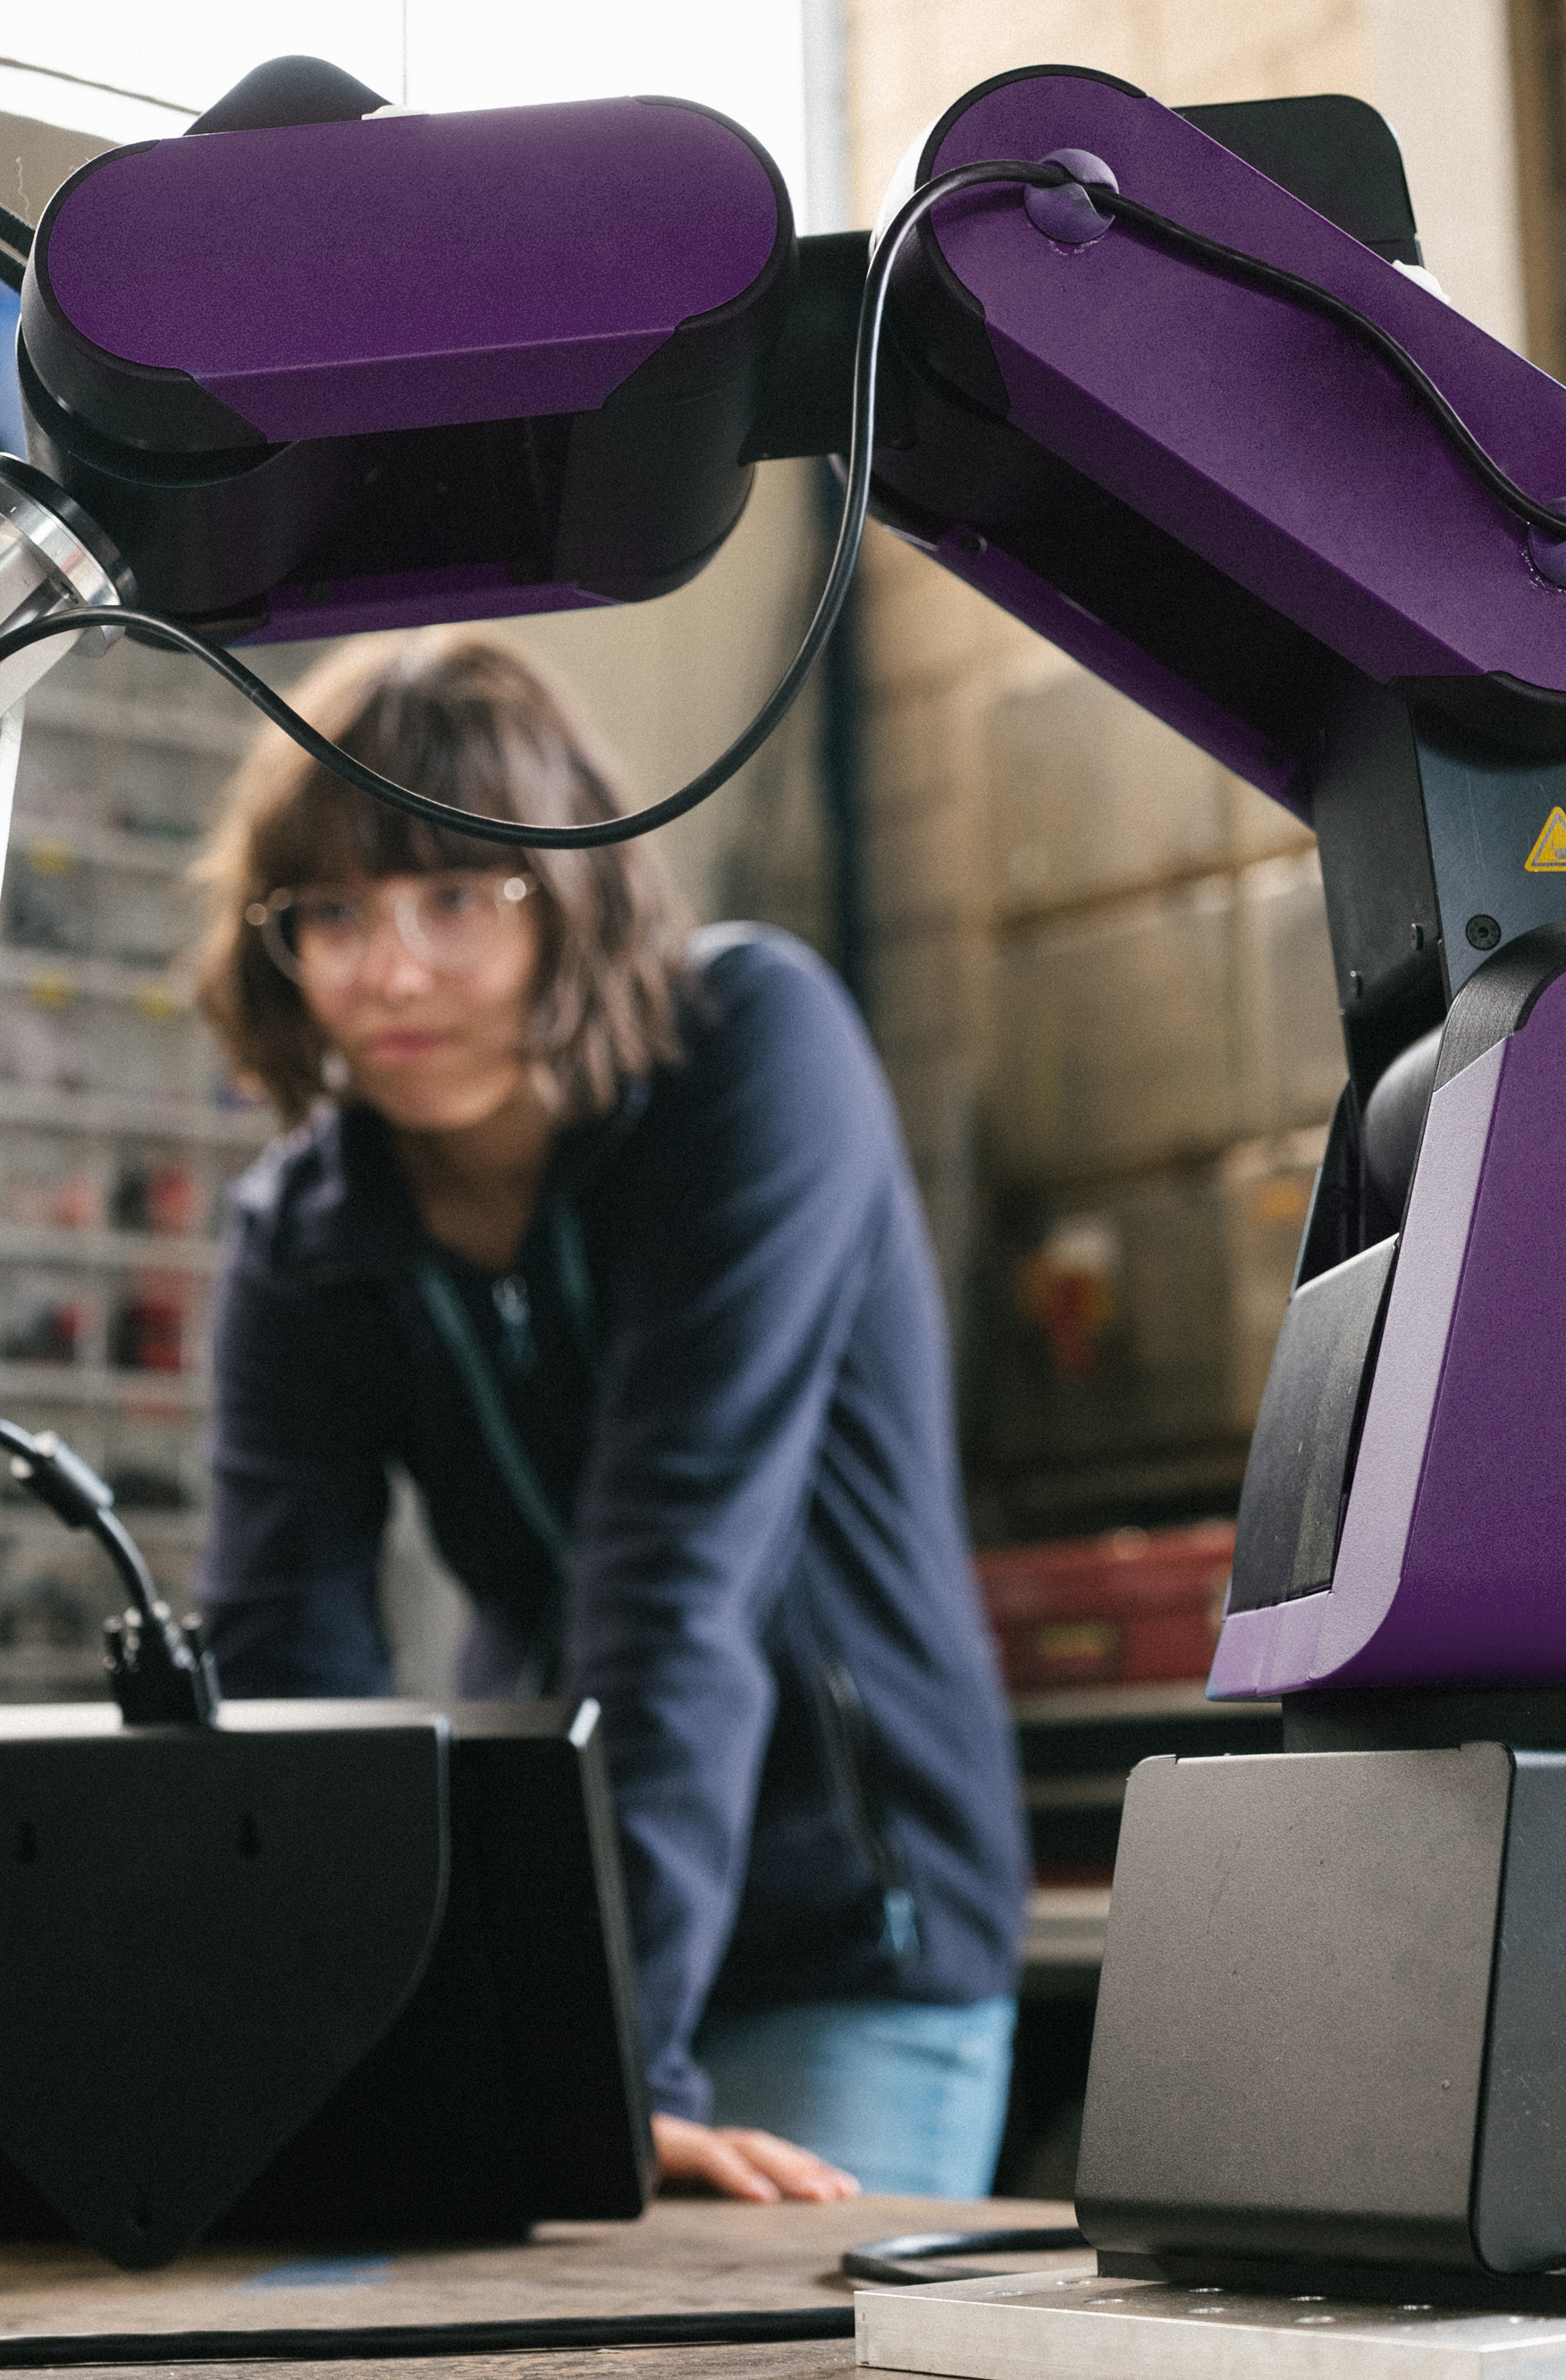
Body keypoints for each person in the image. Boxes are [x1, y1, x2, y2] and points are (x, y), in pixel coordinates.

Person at [186, 630, 1025, 2205]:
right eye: (334, 915)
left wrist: (606, 2079)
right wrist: (319, 2045)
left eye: (456, 897)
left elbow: (674, 1583)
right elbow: (283, 1666)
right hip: (548, 1925)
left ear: (571, 897)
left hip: (855, 1920)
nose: (396, 971)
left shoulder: (751, 1057)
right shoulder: (303, 1238)